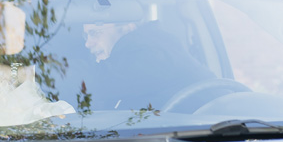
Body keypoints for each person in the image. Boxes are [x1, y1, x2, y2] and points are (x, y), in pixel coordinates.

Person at [83, 19, 214, 111]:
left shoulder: (145, 55)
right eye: (86, 36)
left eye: (94, 33)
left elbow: (87, 87)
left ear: (128, 27)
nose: (88, 44)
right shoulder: (160, 44)